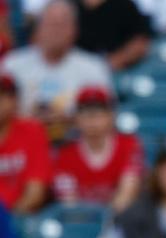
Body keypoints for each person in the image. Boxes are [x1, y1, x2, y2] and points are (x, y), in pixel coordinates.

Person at [1, 0, 113, 138]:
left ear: (75, 30)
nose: (56, 31)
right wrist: (31, 119)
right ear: (38, 28)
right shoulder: (12, 65)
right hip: (23, 144)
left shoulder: (94, 68)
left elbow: (108, 118)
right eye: (51, 24)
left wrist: (70, 118)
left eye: (63, 25)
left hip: (75, 144)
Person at [52, 85, 144, 211]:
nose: (92, 121)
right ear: (76, 119)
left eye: (98, 114)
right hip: (80, 219)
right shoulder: (65, 153)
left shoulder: (129, 145)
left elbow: (127, 194)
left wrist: (107, 218)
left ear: (111, 116)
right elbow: (69, 202)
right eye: (86, 114)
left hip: (120, 218)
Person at [0, 74, 51, 214]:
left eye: (2, 97)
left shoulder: (32, 131)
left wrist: (6, 221)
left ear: (14, 100)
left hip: (19, 217)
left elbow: (35, 193)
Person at [73, 0, 153, 71]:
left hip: (123, 72)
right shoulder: (70, 8)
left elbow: (141, 42)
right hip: (79, 71)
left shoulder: (122, 5)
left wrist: (107, 65)